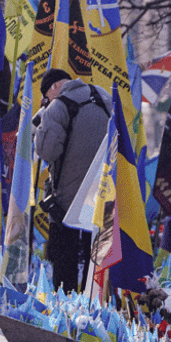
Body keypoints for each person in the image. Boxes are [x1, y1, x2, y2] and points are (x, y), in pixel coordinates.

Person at [33, 68, 112, 292]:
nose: (46, 101)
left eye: (46, 96)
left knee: (64, 258)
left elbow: (48, 152)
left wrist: (41, 127)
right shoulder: (105, 98)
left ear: (54, 87)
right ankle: (93, 305)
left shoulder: (59, 105)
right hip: (102, 195)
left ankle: (65, 304)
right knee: (95, 257)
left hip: (68, 199)